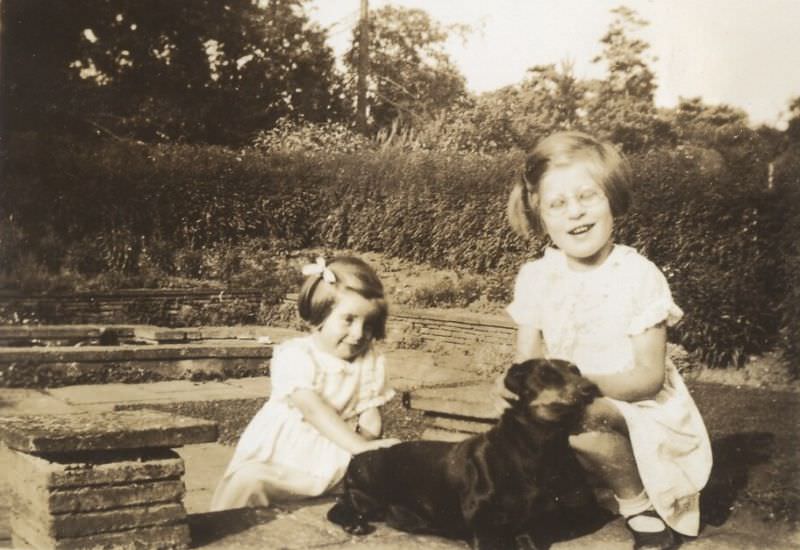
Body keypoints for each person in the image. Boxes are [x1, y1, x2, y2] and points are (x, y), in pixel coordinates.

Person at [500, 131, 712, 549]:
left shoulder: (637, 276)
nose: (575, 212)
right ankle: (558, 503)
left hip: (637, 406)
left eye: (587, 196)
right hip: (565, 401)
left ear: (612, 198)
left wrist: (571, 388)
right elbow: (525, 363)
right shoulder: (537, 277)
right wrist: (513, 387)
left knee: (579, 415)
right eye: (558, 204)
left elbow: (648, 377)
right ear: (539, 213)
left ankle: (639, 506)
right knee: (523, 422)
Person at [210, 256, 400, 511]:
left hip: (335, 454)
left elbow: (370, 414)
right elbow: (311, 408)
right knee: (249, 482)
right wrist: (357, 445)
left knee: (389, 474)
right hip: (283, 453)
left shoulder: (370, 361)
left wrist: (368, 448)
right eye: (349, 320)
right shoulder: (298, 355)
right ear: (319, 316)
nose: (358, 334)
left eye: (369, 324)